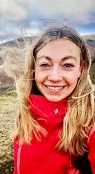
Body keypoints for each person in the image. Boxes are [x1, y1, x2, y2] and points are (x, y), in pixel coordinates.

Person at [13, 25, 95, 173]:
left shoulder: (90, 123)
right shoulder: (26, 109)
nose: (55, 77)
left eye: (68, 65)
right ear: (34, 68)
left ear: (81, 69)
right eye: (45, 64)